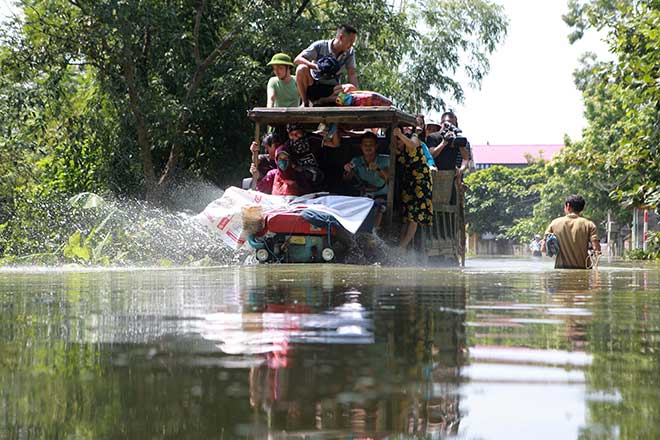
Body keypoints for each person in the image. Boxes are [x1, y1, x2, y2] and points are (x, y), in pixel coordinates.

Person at [294, 24, 358, 106]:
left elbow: (352, 73)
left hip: (333, 88)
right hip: (314, 85)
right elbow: (297, 59)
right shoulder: (320, 45)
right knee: (301, 68)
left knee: (350, 87)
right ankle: (305, 102)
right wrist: (315, 66)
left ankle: (322, 101)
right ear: (341, 37)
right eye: (350, 41)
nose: (351, 45)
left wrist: (356, 94)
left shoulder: (350, 52)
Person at [393, 126, 433, 250]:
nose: (398, 143)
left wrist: (400, 135)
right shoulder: (397, 150)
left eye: (399, 141)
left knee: (414, 215)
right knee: (406, 216)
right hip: (409, 183)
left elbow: (412, 144)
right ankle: (401, 245)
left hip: (421, 183)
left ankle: (402, 247)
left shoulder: (414, 139)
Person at [343, 132, 390, 228]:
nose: (368, 147)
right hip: (363, 194)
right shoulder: (356, 161)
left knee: (378, 207)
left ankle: (373, 235)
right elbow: (347, 179)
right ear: (361, 146)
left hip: (381, 194)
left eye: (371, 145)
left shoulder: (385, 160)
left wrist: (378, 169)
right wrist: (347, 170)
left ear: (376, 146)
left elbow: (388, 178)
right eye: (365, 145)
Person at [542, 194, 601, 269]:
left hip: (561, 272)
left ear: (568, 206)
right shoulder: (589, 224)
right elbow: (597, 250)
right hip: (583, 271)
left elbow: (543, 249)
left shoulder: (554, 223)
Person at [425, 111, 470, 177]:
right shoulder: (433, 137)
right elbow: (431, 155)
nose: (450, 125)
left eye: (453, 123)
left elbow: (465, 158)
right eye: (448, 122)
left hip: (450, 175)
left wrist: (460, 170)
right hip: (435, 174)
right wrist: (444, 142)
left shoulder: (455, 138)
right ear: (441, 123)